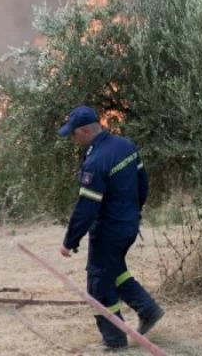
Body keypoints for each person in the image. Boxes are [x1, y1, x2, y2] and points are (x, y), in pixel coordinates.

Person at [57, 105, 164, 352]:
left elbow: (87, 208)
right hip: (129, 224)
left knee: (98, 284)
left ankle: (114, 340)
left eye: (73, 134)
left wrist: (69, 241)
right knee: (114, 270)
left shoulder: (95, 162)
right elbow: (143, 184)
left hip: (109, 230)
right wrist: (133, 212)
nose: (73, 139)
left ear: (85, 131)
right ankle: (147, 310)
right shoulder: (126, 145)